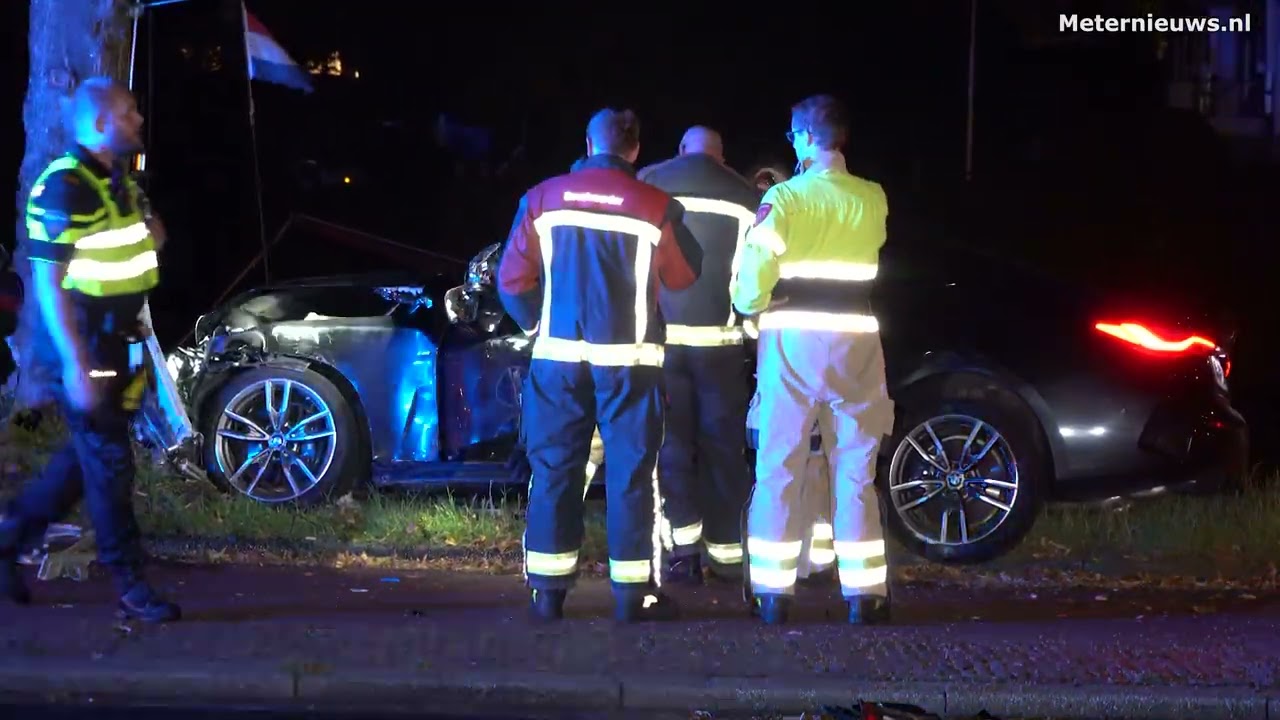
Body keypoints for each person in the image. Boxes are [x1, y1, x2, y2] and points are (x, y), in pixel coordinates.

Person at [497, 108, 702, 623]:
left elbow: (512, 281)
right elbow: (683, 276)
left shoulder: (542, 198)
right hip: (630, 366)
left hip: (558, 366)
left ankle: (548, 594)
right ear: (635, 149)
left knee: (554, 473)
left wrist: (535, 328)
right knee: (632, 475)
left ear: (588, 143)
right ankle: (633, 597)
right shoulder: (656, 206)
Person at [0, 77, 179, 622]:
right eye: (128, 113)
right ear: (98, 123)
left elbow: (157, 236)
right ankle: (130, 585)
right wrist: (77, 363)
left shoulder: (119, 182)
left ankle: (7, 542)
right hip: (82, 343)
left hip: (118, 342)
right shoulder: (65, 186)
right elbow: (50, 284)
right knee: (111, 467)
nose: (139, 120)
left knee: (81, 467)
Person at [733, 94, 894, 625]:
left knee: (779, 465)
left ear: (803, 137)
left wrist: (750, 306)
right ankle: (865, 596)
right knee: (855, 471)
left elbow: (756, 270)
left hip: (793, 342)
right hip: (857, 345)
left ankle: (774, 595)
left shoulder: (785, 198)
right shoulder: (873, 198)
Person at [636, 126, 758, 583]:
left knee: (671, 448)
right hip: (722, 348)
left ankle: (683, 554)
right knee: (724, 450)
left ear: (682, 150)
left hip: (663, 344)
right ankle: (728, 557)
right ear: (721, 156)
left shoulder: (651, 182)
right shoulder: (746, 195)